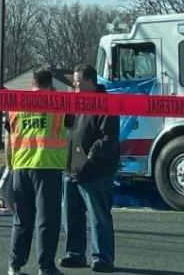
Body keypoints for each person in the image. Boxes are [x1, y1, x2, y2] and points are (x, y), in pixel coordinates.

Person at [7, 69, 69, 275]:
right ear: (51, 84)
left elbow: (10, 137)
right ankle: (46, 267)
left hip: (20, 167)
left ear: (31, 83)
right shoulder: (59, 103)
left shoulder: (17, 103)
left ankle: (15, 266)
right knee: (47, 220)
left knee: (22, 219)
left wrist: (10, 165)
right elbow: (73, 125)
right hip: (47, 166)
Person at [60, 64, 119, 274]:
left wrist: (90, 158)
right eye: (74, 84)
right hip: (71, 168)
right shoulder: (75, 102)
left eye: (78, 83)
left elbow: (108, 137)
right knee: (71, 215)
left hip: (95, 171)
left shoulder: (106, 103)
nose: (75, 87)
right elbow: (68, 127)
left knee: (98, 216)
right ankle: (75, 254)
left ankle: (103, 257)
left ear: (91, 81)